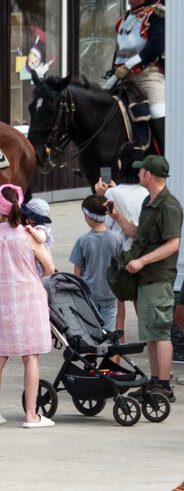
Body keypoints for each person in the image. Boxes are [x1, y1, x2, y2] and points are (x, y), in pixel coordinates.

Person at [0, 184, 55, 428]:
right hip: (30, 299)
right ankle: (31, 415)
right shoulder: (28, 234)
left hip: (2, 300)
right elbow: (49, 268)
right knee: (31, 357)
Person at [108, 155, 181, 400]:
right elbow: (139, 233)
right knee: (150, 333)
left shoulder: (169, 206)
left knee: (159, 333)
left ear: (148, 175)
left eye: (141, 172)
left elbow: (173, 244)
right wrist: (117, 217)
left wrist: (142, 261)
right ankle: (154, 382)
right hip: (145, 278)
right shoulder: (149, 202)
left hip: (158, 278)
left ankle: (164, 386)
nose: (137, 174)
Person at [94, 142, 149, 338]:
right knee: (141, 306)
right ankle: (147, 344)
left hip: (116, 257)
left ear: (120, 164)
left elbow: (103, 224)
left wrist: (101, 196)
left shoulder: (111, 193)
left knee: (117, 311)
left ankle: (118, 355)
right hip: (141, 256)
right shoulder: (148, 193)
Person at [103, 0, 165, 153]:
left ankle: (166, 157)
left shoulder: (158, 14)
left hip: (148, 76)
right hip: (122, 77)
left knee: (158, 111)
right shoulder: (125, 19)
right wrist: (114, 72)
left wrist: (128, 66)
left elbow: (154, 49)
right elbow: (119, 51)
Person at [70, 195, 125, 331]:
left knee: (91, 330)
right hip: (110, 292)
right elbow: (121, 267)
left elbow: (77, 271)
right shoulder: (117, 239)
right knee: (109, 330)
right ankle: (110, 352)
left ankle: (93, 352)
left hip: (89, 292)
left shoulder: (83, 241)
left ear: (88, 217)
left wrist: (77, 292)